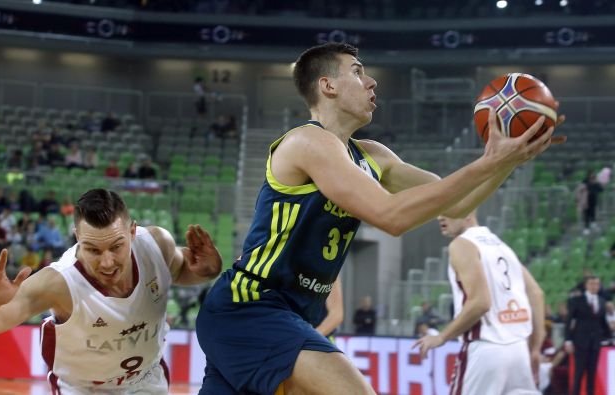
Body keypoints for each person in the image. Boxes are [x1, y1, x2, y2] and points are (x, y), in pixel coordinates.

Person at [195, 42, 563, 395]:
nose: (371, 82)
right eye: (357, 72)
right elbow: (392, 217)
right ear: (328, 86)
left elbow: (456, 205)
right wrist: (489, 162)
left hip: (283, 315)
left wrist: (506, 163)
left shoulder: (373, 156)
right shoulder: (307, 142)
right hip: (251, 308)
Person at [0, 188, 222, 394]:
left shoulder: (157, 245)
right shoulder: (58, 283)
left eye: (116, 247)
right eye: (93, 250)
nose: (107, 262)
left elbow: (181, 271)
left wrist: (210, 270)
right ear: (77, 238)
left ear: (133, 231)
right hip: (84, 389)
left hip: (147, 382)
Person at [414, 211, 546, 394]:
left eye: (448, 209)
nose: (440, 217)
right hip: (518, 350)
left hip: (486, 349)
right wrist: (535, 348)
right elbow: (536, 294)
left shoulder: (462, 244)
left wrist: (441, 337)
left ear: (469, 211)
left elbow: (481, 302)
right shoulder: (500, 245)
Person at [565, 276, 610, 395]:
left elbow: (603, 322)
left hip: (595, 342)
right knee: (579, 373)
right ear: (586, 285)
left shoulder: (601, 301)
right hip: (580, 341)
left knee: (592, 373)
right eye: (592, 284)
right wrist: (568, 340)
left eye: (597, 284)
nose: (594, 286)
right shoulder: (576, 300)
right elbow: (569, 321)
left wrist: (609, 336)